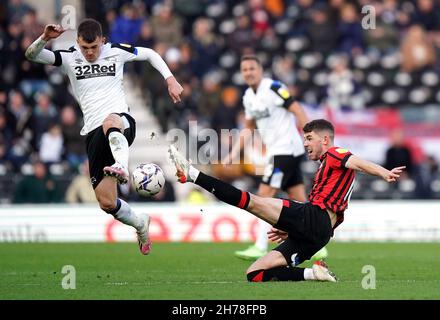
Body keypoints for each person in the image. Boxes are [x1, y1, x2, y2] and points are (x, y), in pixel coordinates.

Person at [168, 119, 405, 282]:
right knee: (255, 273)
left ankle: (193, 174)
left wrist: (384, 172)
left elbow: (357, 161)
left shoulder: (334, 153)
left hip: (314, 218)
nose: (305, 144)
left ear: (325, 139)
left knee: (251, 202)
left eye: (310, 138)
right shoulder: (327, 165)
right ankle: (314, 274)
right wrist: (292, 228)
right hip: (318, 233)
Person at [25, 19, 183, 255]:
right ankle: (140, 223)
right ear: (78, 43)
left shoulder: (115, 52)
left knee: (110, 121)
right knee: (107, 202)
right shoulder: (69, 56)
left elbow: (150, 53)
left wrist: (170, 78)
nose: (89, 53)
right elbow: (32, 55)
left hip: (121, 122)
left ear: (103, 41)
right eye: (84, 47)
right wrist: (45, 38)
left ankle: (121, 165)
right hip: (93, 133)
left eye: (94, 47)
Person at [225, 54, 328, 261]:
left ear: (260, 70)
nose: (248, 73)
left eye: (252, 68)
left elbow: (297, 110)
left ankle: (260, 245)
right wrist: (233, 153)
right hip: (278, 152)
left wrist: (311, 139)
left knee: (263, 197)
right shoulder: (248, 97)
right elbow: (248, 128)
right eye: (244, 69)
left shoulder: (273, 88)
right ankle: (318, 243)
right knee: (300, 199)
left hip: (286, 150)